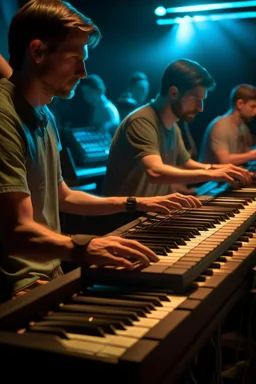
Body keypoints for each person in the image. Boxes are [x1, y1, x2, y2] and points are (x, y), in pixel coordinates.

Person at [0, 0, 202, 301]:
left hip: (49, 273)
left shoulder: (45, 116)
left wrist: (137, 203)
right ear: (38, 52)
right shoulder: (4, 115)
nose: (83, 72)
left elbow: (64, 196)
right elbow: (17, 229)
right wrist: (83, 246)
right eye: (74, 58)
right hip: (18, 289)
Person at [103, 59, 252, 198]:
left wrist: (218, 169)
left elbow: (185, 163)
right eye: (196, 99)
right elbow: (155, 172)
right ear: (174, 93)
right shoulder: (141, 121)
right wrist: (213, 174)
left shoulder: (172, 126)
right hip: (126, 221)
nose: (201, 108)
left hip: (149, 215)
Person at [199, 84, 256, 166]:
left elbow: (244, 158)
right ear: (240, 104)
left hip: (229, 177)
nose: (255, 112)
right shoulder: (220, 126)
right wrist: (251, 155)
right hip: (210, 178)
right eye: (253, 106)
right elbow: (224, 161)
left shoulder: (244, 129)